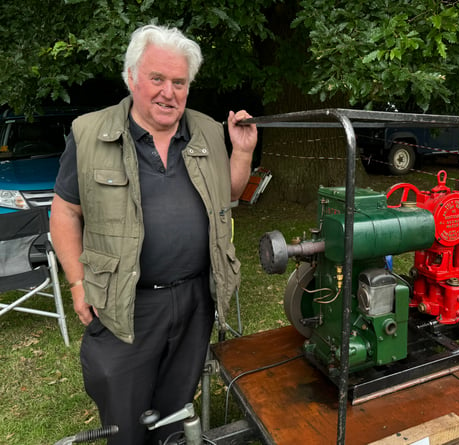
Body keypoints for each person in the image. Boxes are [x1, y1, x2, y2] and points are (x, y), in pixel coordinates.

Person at [50, 24, 257, 444]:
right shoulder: (90, 133)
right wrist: (76, 283)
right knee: (124, 413)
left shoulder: (205, 129)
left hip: (194, 298)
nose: (169, 92)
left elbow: (229, 193)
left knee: (175, 408)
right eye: (157, 79)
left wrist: (243, 151)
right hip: (126, 301)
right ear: (132, 78)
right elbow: (65, 213)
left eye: (179, 82)